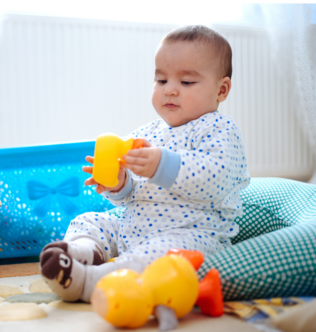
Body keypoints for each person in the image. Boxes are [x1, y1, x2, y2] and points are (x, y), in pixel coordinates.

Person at [40, 25, 250, 303]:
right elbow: (131, 196)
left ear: (221, 90)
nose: (171, 91)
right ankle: (83, 252)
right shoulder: (147, 133)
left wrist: (162, 165)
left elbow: (215, 179)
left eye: (186, 82)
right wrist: (119, 184)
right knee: (90, 219)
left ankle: (91, 282)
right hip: (134, 230)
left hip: (190, 237)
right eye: (161, 80)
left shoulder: (220, 128)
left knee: (160, 256)